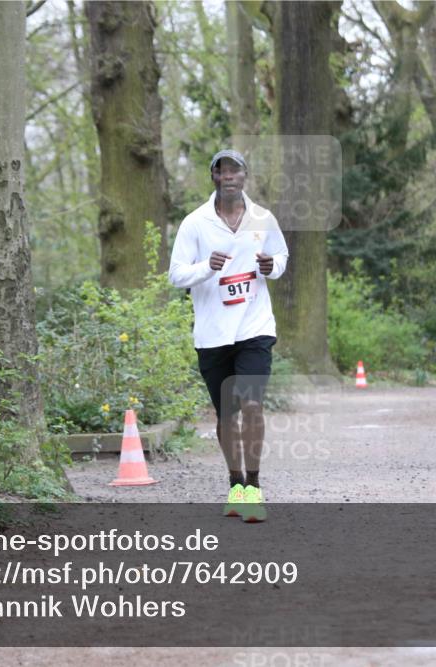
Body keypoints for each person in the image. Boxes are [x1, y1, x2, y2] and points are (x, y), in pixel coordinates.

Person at [168, 149, 289, 523]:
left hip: (254, 328)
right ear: (215, 179)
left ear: (245, 177)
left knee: (252, 405)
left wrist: (272, 267)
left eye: (237, 171)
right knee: (227, 414)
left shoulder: (262, 219)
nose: (231, 177)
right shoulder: (196, 223)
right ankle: (234, 483)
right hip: (213, 333)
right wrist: (207, 267)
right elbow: (176, 275)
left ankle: (253, 486)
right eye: (223, 172)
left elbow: (281, 259)